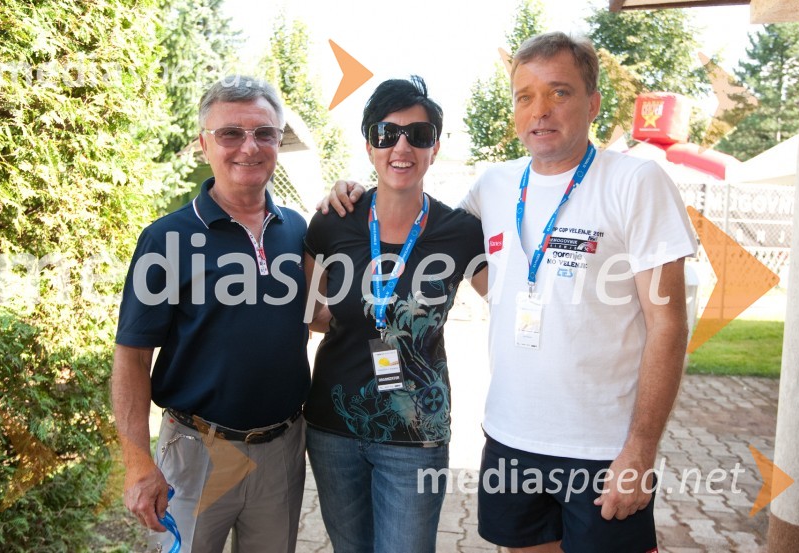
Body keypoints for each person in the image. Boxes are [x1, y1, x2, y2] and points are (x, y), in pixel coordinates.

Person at [322, 32, 696, 553]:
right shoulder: (493, 187)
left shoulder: (635, 182)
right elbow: (417, 222)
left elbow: (669, 325)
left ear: (592, 103)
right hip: (511, 438)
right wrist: (352, 192)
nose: (540, 110)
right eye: (525, 96)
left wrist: (640, 450)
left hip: (603, 448)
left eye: (559, 92)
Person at [111, 76, 310, 553]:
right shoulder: (167, 239)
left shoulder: (299, 230)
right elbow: (132, 359)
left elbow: (316, 316)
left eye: (265, 133)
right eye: (230, 134)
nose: (250, 146)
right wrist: (138, 462)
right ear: (204, 145)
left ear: (278, 142)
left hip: (283, 448)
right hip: (196, 452)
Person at [303, 75, 487, 553]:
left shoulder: (460, 232)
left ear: (435, 148)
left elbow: (511, 302)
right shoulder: (332, 221)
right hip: (332, 428)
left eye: (418, 135)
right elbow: (309, 313)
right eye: (387, 134)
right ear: (369, 145)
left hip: (416, 437)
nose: (401, 146)